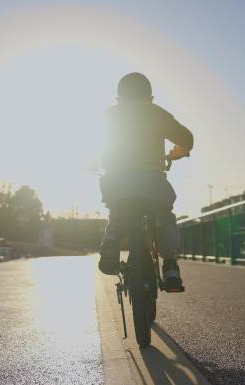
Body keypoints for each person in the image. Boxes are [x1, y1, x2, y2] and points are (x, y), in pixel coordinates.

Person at [98, 72, 193, 292]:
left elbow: (98, 147)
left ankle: (112, 239)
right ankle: (170, 267)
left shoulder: (111, 115)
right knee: (164, 216)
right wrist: (177, 152)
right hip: (151, 181)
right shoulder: (156, 113)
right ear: (149, 96)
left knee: (117, 211)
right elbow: (187, 139)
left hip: (117, 181)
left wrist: (94, 162)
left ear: (119, 97)